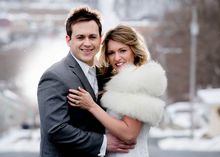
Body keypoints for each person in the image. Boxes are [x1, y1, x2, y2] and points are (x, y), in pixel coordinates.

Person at [37, 7, 133, 157]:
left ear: (100, 40)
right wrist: (104, 142)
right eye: (80, 37)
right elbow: (56, 129)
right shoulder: (54, 76)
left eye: (92, 37)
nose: (87, 43)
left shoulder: (103, 75)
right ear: (68, 40)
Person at [67, 25, 167, 157]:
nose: (117, 57)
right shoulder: (122, 82)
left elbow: (129, 134)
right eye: (111, 52)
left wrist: (91, 106)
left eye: (122, 51)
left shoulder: (136, 82)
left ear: (134, 50)